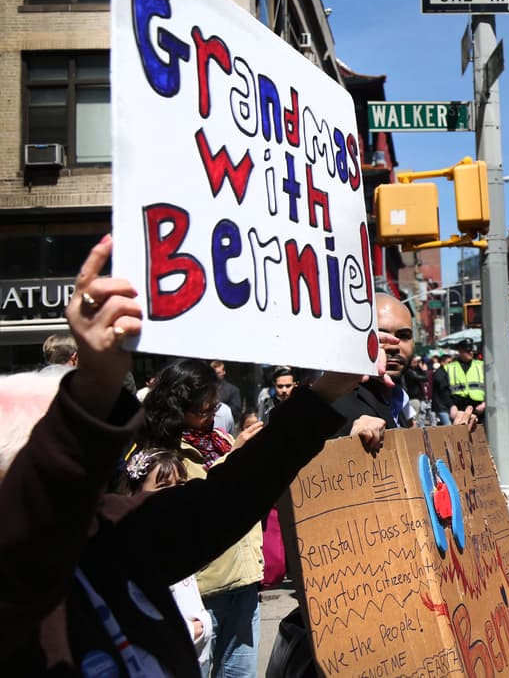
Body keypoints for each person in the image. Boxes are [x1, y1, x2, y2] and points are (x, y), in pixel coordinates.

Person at [0, 233, 385, 677]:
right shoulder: (16, 582)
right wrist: (92, 391)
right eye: (59, 456)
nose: (84, 470)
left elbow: (236, 493)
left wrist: (328, 390)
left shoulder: (116, 535)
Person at [138, 360, 267, 678]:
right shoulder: (160, 452)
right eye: (202, 409)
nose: (211, 415)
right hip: (202, 590)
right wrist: (235, 458)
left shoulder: (221, 439)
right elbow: (186, 507)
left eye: (214, 406)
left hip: (245, 581)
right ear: (177, 406)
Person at [120, 449, 213, 671]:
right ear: (134, 493)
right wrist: (193, 629)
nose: (175, 493)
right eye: (162, 487)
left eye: (181, 484)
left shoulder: (178, 538)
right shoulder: (132, 547)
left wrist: (204, 623)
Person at [331, 293, 418, 436]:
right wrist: (350, 438)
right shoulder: (338, 400)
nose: (393, 346)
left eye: (403, 336)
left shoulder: (400, 400)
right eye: (381, 335)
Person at [446, 338, 486, 418]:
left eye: (472, 350)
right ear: (460, 351)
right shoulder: (449, 368)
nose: (471, 352)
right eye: (468, 350)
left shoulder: (481, 365)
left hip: (480, 409)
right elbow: (444, 391)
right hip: (459, 410)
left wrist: (485, 403)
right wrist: (451, 406)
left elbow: (493, 387)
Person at [211, 360, 243, 426]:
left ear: (224, 372)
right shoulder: (204, 388)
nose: (215, 376)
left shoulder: (232, 390)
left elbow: (236, 411)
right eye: (214, 373)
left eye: (218, 373)